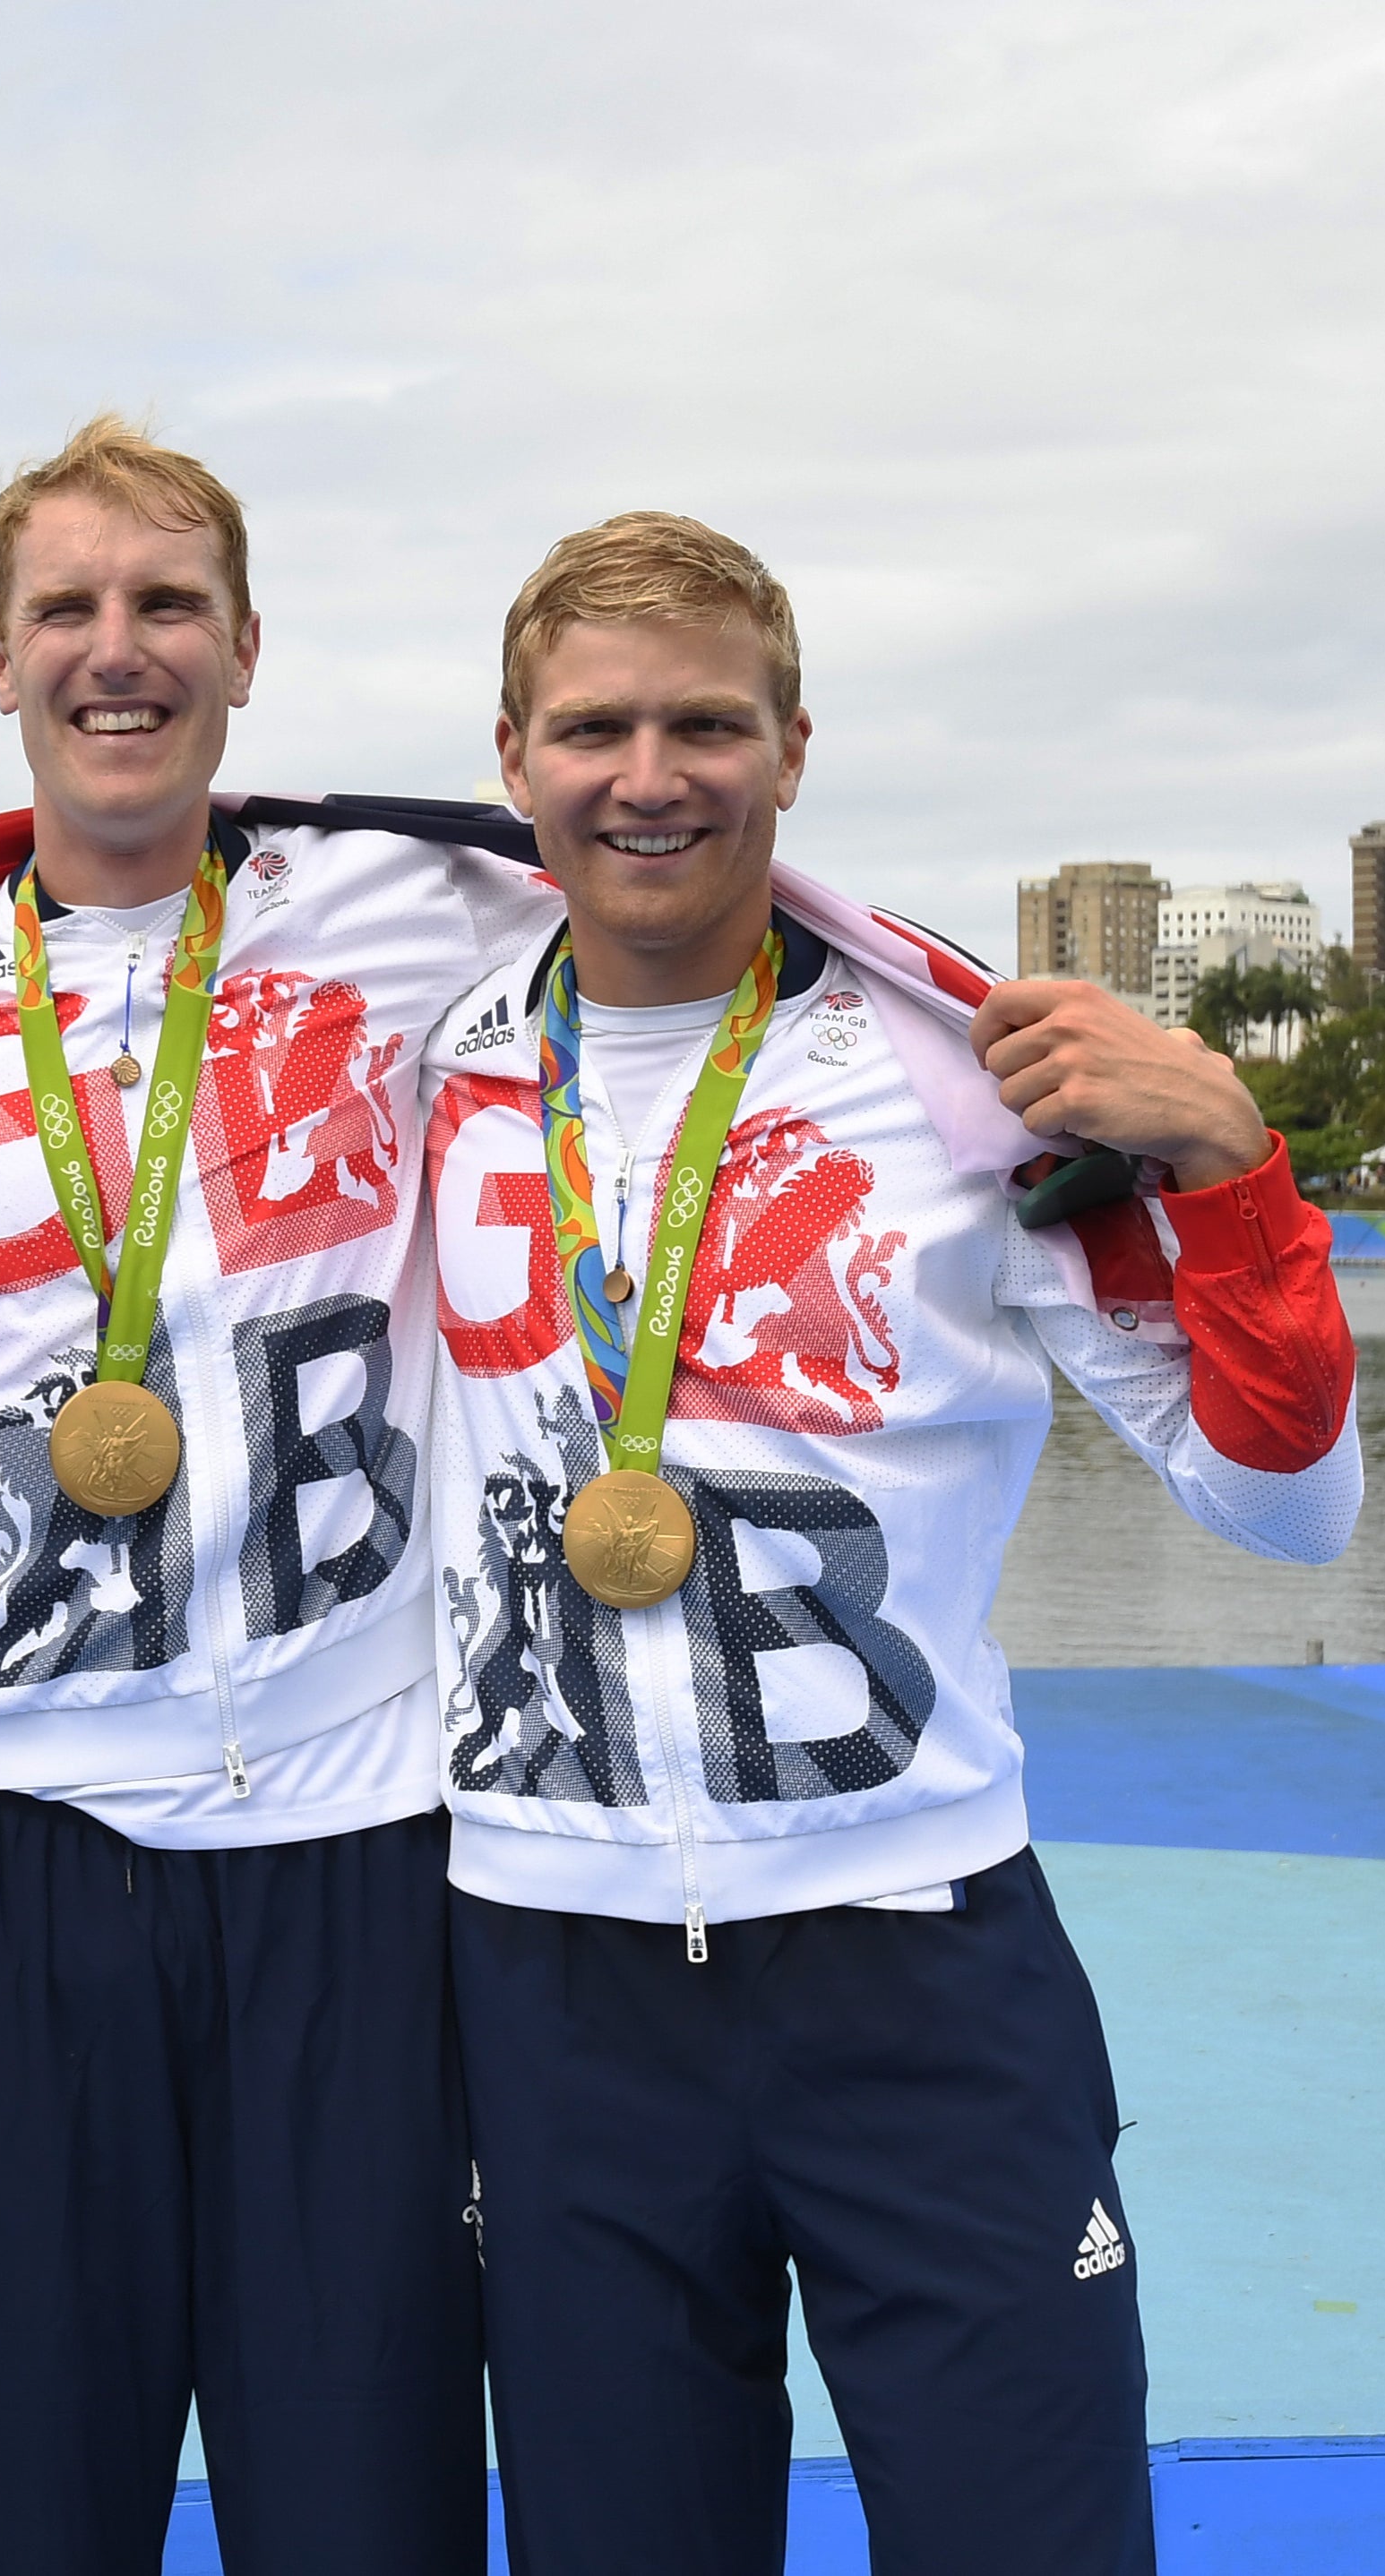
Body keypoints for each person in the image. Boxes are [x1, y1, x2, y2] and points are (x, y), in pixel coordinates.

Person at [420, 510, 1362, 2574]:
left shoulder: (973, 1086)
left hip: (916, 1967)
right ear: (512, 759)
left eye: (705, 723)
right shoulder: (425, 1069)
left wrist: (1232, 1175)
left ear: (795, 747)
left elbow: (1282, 1504)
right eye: (593, 727)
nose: (647, 774)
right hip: (548, 1975)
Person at [0, 416, 554, 2576]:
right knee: (28, 2516)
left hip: (351, 1838)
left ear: (243, 651)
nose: (115, 652)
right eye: (69, 609)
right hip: (9, 1857)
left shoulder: (427, 914)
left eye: (164, 608)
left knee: (366, 2510)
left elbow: (703, 883)